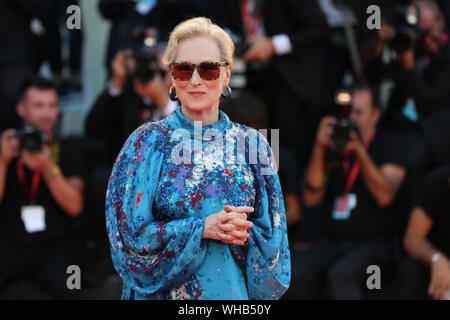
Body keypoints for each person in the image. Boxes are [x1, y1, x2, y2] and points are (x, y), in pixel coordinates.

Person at [105, 17, 290, 300]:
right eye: (183, 69)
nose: (195, 80)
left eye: (208, 69)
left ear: (226, 75)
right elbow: (128, 240)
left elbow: (274, 250)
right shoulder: (145, 142)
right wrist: (201, 228)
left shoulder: (253, 145)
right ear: (171, 78)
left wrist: (242, 231)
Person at [289, 82, 407, 299]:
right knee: (297, 273)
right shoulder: (334, 144)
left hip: (376, 244)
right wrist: (319, 147)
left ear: (376, 115)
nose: (352, 119)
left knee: (341, 276)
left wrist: (358, 151)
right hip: (332, 241)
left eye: (359, 113)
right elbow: (311, 198)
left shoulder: (390, 144)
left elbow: (385, 196)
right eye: (347, 112)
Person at [0, 76, 85, 299]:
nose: (47, 114)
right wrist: (2, 161)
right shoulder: (6, 147)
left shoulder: (69, 148)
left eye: (52, 106)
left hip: (54, 249)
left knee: (75, 286)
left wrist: (48, 168)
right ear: (21, 109)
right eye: (38, 106)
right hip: (8, 246)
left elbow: (75, 206)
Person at [399, 166, 450, 300]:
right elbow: (412, 239)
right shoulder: (438, 181)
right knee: (411, 271)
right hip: (442, 260)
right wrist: (436, 258)